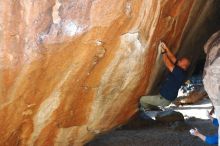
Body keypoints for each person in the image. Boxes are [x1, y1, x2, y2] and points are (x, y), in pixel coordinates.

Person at [140, 42, 191, 111]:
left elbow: (168, 64)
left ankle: (146, 109)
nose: (179, 60)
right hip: (164, 96)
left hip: (164, 99)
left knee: (142, 99)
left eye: (181, 61)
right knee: (151, 98)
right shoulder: (181, 68)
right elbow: (173, 58)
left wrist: (163, 53)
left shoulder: (180, 73)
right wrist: (166, 48)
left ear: (184, 66)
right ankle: (153, 107)